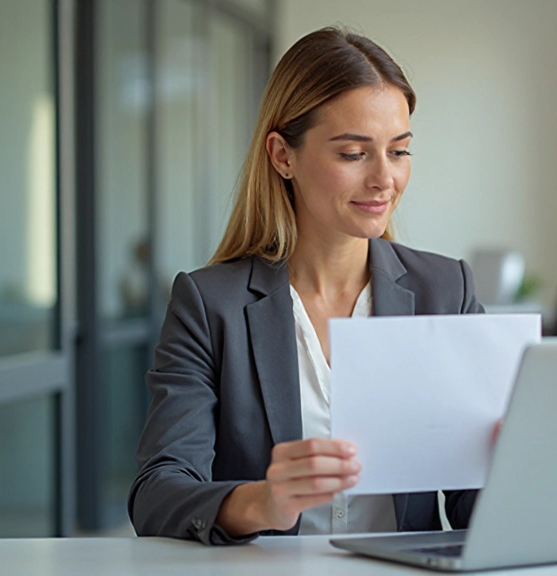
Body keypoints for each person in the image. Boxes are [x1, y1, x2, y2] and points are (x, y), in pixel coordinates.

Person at [128, 27, 483, 546]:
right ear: (282, 156)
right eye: (353, 154)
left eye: (399, 151)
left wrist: (508, 461)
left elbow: (477, 504)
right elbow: (157, 492)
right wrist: (260, 501)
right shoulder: (209, 306)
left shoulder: (445, 292)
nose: (385, 179)